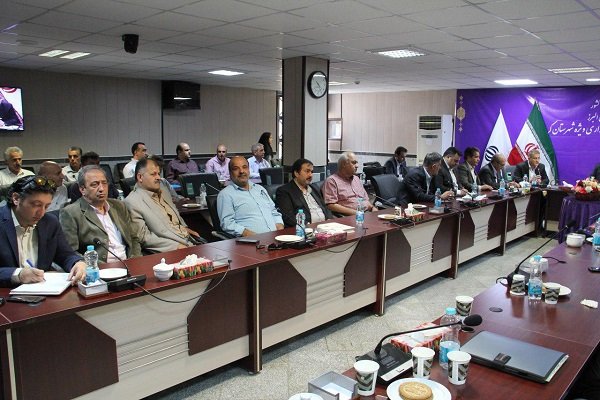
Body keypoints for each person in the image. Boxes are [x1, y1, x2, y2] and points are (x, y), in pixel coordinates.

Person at [0, 176, 86, 287]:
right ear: (16, 198)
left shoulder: (49, 223)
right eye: (36, 205)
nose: (41, 213)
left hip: (42, 289)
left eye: (46, 206)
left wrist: (78, 263)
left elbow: (65, 255)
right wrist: (18, 274)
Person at [60, 165, 141, 263]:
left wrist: (135, 260)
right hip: (100, 267)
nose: (102, 188)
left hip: (129, 262)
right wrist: (97, 266)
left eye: (104, 183)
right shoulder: (70, 213)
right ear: (82, 189)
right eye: (95, 185)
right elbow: (71, 253)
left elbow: (133, 238)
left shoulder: (119, 206)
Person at [124, 157, 204, 252]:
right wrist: (175, 246)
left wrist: (185, 228)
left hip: (189, 240)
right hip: (170, 249)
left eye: (158, 173)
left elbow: (175, 218)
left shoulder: (163, 189)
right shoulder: (132, 202)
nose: (158, 177)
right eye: (153, 174)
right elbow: (143, 237)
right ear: (140, 177)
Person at [217, 156, 283, 237]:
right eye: (236, 168)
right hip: (252, 241)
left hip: (276, 238)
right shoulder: (225, 194)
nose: (241, 171)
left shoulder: (260, 189)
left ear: (248, 170)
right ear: (230, 173)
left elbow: (274, 212)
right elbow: (227, 224)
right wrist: (248, 234)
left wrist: (279, 226)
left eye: (244, 167)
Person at [275, 158, 333, 227]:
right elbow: (288, 217)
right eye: (307, 171)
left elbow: (325, 207)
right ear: (296, 173)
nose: (310, 175)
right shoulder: (284, 191)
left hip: (325, 227)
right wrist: (307, 226)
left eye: (311, 172)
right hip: (305, 228)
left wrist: (329, 219)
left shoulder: (314, 188)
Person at [322, 151, 377, 216]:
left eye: (357, 163)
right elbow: (331, 205)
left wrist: (372, 208)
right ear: (344, 164)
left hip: (366, 214)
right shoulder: (332, 181)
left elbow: (365, 200)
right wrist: (357, 213)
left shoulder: (356, 179)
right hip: (349, 216)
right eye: (354, 163)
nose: (357, 166)